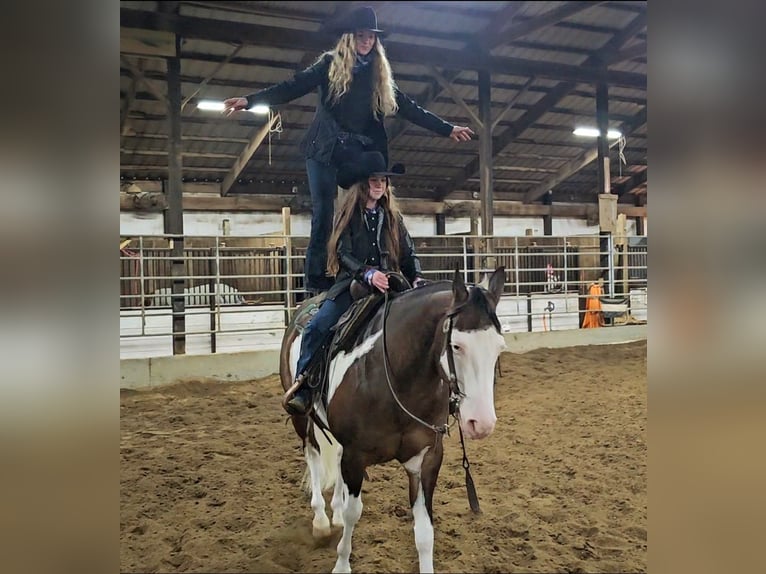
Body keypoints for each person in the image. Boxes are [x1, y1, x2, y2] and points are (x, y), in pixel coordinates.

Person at [223, 6, 474, 296]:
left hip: (355, 152)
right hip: (323, 151)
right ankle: (316, 283)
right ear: (349, 38)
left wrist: (447, 128)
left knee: (367, 204)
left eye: (371, 37)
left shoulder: (379, 74)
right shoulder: (329, 64)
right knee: (324, 214)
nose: (366, 41)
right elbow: (293, 86)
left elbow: (407, 107)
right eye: (361, 36)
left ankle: (365, 269)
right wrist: (250, 100)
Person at [282, 151, 426, 416]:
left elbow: (408, 253)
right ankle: (303, 385)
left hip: (391, 285)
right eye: (374, 180)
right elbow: (342, 254)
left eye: (383, 180)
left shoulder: (394, 220)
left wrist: (416, 277)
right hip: (352, 285)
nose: (379, 184)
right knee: (317, 327)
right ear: (363, 184)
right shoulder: (348, 216)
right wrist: (368, 274)